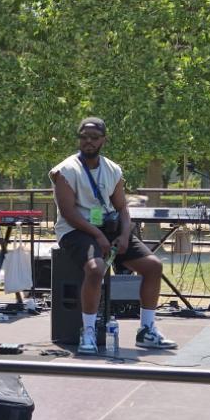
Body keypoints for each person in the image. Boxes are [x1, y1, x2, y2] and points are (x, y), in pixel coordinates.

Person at [50, 117, 175, 355]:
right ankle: (88, 332)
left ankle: (147, 330)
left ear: (104, 140)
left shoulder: (113, 169)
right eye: (84, 137)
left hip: (108, 228)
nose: (88, 141)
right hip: (76, 229)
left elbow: (122, 208)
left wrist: (125, 234)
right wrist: (98, 235)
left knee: (153, 267)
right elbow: (68, 213)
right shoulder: (65, 170)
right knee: (96, 269)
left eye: (94, 137)